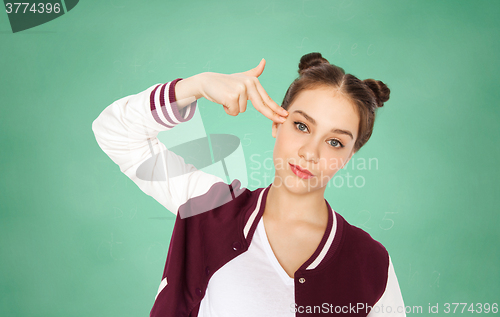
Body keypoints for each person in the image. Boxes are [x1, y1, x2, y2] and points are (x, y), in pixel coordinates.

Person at [92, 52, 406, 317]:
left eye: (335, 142)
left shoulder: (371, 264)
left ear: (350, 156)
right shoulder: (207, 207)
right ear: (275, 122)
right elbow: (114, 132)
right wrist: (195, 86)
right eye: (301, 126)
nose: (310, 153)